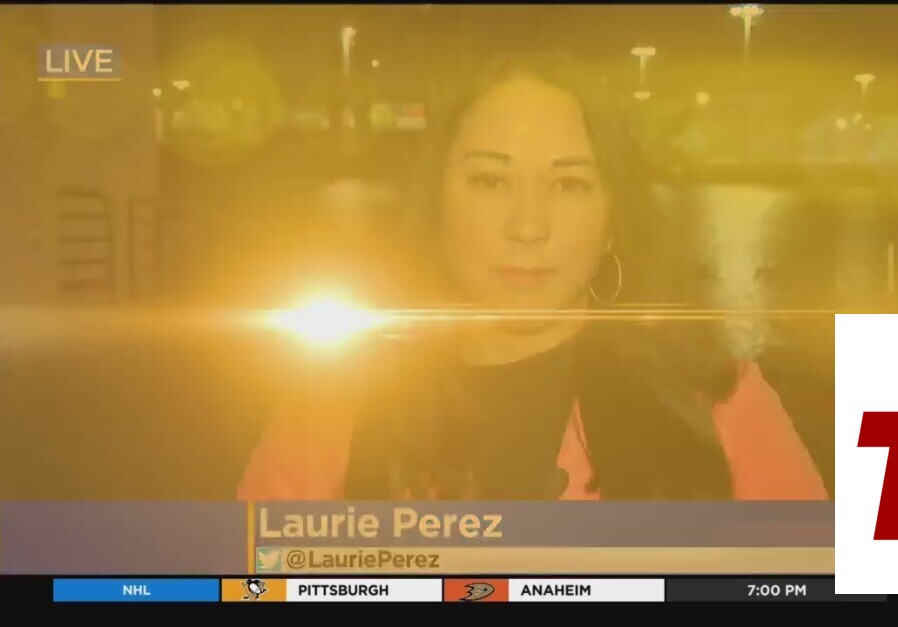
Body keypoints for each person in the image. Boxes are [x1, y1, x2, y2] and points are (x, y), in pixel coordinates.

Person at [238, 50, 828, 501]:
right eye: (491, 181)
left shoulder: (719, 402)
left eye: (569, 184)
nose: (527, 226)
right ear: (437, 200)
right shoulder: (331, 411)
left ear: (614, 218)